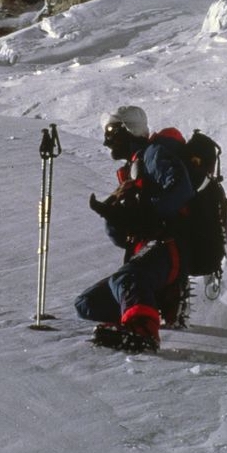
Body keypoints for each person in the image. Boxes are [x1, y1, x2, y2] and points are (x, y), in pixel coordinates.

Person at [74, 105, 195, 351]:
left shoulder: (154, 154)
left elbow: (182, 189)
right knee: (86, 304)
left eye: (112, 132)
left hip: (168, 245)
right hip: (147, 249)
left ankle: (143, 331)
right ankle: (150, 305)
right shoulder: (132, 170)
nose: (107, 141)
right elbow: (121, 238)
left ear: (129, 130)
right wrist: (114, 213)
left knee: (126, 278)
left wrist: (147, 216)